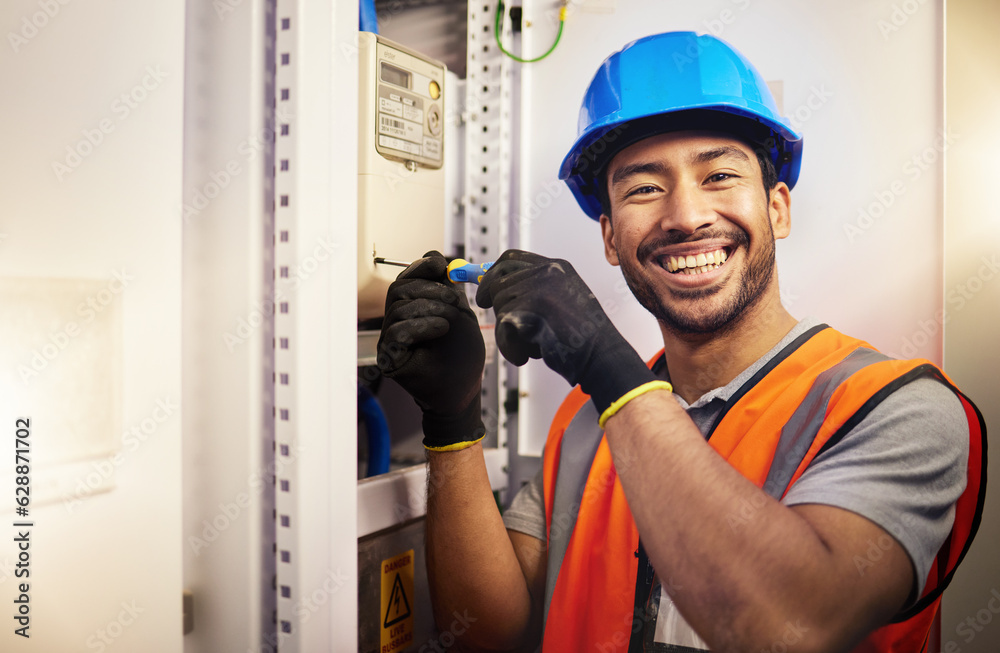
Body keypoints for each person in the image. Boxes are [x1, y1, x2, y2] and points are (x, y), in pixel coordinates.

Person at [376, 31, 986, 652]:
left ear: (777, 209)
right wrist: (452, 420)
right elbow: (486, 636)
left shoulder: (897, 409)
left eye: (719, 175)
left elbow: (788, 624)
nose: (687, 216)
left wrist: (605, 365)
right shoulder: (586, 423)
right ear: (611, 238)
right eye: (644, 187)